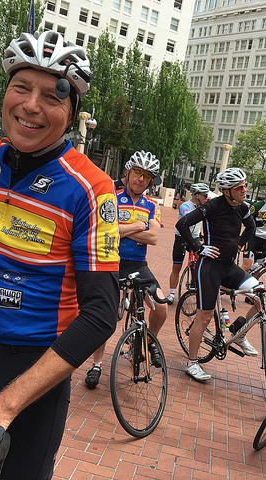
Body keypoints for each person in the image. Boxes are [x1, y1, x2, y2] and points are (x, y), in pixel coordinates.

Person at [0, 30, 120, 479]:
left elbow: (101, 314)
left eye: (52, 95)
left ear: (71, 113)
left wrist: (4, 404)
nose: (32, 105)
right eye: (21, 87)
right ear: (5, 94)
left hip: (33, 371)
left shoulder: (91, 188)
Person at [84, 150, 168, 389]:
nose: (141, 179)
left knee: (161, 307)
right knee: (106, 315)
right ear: (128, 172)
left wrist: (125, 228)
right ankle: (96, 364)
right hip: (112, 260)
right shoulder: (112, 196)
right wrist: (138, 225)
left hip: (138, 264)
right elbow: (107, 229)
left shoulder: (151, 205)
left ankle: (149, 340)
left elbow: (153, 237)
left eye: (147, 176)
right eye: (138, 173)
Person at [176, 167, 266, 382]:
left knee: (265, 299)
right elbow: (183, 224)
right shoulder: (212, 206)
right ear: (227, 191)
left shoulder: (243, 207)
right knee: (204, 317)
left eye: (245, 185)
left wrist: (239, 246)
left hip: (229, 266)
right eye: (239, 187)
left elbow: (251, 228)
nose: (244, 190)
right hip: (209, 268)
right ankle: (192, 363)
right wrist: (198, 247)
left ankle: (239, 331)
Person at [166, 183, 210, 304]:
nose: (206, 198)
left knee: (200, 264)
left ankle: (196, 288)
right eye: (204, 195)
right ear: (196, 195)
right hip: (181, 237)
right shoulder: (185, 205)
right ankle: (172, 294)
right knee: (177, 267)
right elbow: (187, 217)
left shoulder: (203, 207)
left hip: (194, 238)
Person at [242, 181, 266, 272]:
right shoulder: (257, 205)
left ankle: (252, 286)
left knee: (257, 269)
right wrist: (265, 222)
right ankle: (233, 284)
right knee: (247, 266)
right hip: (253, 238)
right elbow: (249, 221)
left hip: (264, 241)